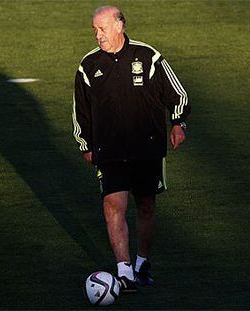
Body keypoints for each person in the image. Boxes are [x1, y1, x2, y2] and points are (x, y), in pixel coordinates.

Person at [72, 6, 191, 292]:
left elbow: (178, 95)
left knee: (146, 205)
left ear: (119, 26)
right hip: (110, 150)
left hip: (146, 148)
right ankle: (124, 271)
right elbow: (80, 111)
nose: (98, 35)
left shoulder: (148, 57)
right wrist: (85, 144)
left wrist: (178, 124)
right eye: (95, 30)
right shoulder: (88, 65)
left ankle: (143, 263)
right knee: (113, 204)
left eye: (102, 28)